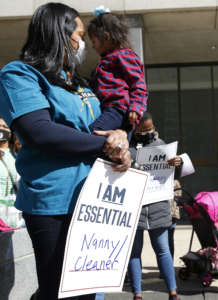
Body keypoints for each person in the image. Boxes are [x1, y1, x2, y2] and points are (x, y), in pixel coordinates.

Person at [0, 3, 131, 299]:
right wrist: (104, 144)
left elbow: (102, 125)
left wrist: (120, 137)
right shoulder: (19, 74)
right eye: (79, 35)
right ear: (59, 33)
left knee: (88, 291)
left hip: (96, 200)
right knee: (59, 291)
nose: (83, 43)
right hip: (54, 202)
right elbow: (39, 132)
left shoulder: (77, 82)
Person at [128, 112, 182, 300]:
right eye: (145, 129)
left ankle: (173, 292)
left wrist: (177, 164)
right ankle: (137, 293)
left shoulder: (162, 147)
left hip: (158, 206)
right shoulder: (128, 148)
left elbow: (174, 175)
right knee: (134, 253)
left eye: (151, 128)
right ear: (136, 128)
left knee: (163, 249)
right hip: (135, 207)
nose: (149, 132)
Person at [87, 7, 148, 132]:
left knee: (93, 132)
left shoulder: (124, 56)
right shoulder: (106, 60)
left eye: (93, 41)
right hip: (109, 110)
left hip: (119, 110)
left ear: (106, 37)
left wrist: (135, 108)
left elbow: (138, 85)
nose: (93, 46)